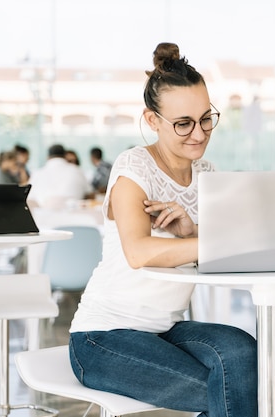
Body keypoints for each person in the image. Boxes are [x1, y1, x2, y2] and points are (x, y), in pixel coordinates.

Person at [67, 42, 257, 417]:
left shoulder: (206, 175)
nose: (199, 133)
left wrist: (191, 231)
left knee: (242, 350)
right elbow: (139, 251)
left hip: (164, 330)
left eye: (206, 119)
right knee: (235, 393)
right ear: (152, 120)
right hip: (102, 338)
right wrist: (210, 240)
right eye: (183, 123)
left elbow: (222, 256)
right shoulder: (134, 168)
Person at [27, 144, 92, 208]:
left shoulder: (37, 174)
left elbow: (29, 198)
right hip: (74, 216)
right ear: (65, 156)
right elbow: (89, 194)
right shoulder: (77, 170)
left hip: (42, 216)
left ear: (48, 157)